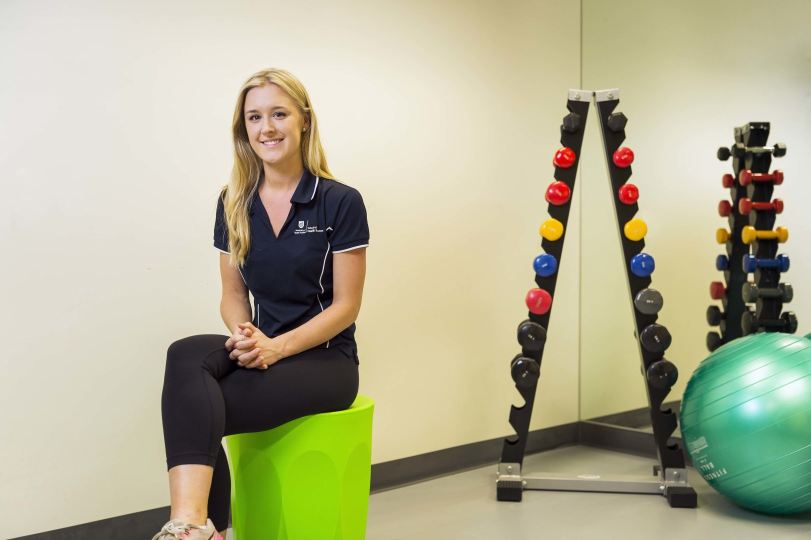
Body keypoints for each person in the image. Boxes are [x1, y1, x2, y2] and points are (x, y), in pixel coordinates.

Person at [152, 68, 369, 539]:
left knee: (198, 407)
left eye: (278, 114)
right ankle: (191, 523)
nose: (266, 128)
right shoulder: (233, 201)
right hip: (264, 348)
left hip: (326, 360)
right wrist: (245, 334)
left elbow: (346, 307)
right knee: (185, 354)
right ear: (244, 128)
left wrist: (278, 347)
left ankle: (201, 530)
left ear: (304, 120)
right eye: (254, 117)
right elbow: (233, 295)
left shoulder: (339, 201)